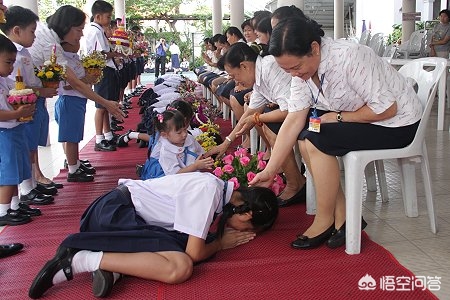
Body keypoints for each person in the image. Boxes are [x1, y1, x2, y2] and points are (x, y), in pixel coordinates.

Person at [249, 17, 422, 250]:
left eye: (296, 68)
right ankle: (343, 217)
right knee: (305, 136)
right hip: (365, 117)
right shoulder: (300, 71)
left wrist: (340, 117)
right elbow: (294, 119)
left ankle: (325, 219)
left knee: (316, 138)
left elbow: (386, 108)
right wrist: (270, 171)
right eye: (286, 70)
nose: (293, 75)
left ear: (314, 48)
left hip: (397, 124)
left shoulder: (350, 56)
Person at [28, 172, 279, 298]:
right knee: (180, 266)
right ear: (246, 215)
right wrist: (221, 245)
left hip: (116, 213)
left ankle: (115, 266)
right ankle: (80, 259)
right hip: (114, 216)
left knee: (180, 244)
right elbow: (194, 253)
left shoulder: (214, 188)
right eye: (246, 229)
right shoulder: (209, 191)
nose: (238, 231)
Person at [206, 42, 305, 206]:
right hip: (297, 111)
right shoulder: (258, 77)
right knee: (264, 121)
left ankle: (296, 184)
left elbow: (291, 111)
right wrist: (226, 143)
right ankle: (294, 179)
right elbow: (248, 115)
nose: (234, 80)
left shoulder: (269, 68)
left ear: (244, 66)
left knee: (269, 125)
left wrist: (257, 119)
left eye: (234, 75)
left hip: (308, 113)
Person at [28, 6, 124, 134]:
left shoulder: (48, 36)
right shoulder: (50, 44)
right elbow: (74, 82)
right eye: (79, 30)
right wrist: (106, 103)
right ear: (67, 26)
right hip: (28, 99)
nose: (82, 34)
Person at [0, 6, 58, 206]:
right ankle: (24, 192)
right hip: (17, 114)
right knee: (19, 156)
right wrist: (40, 91)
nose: (35, 36)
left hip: (27, 109)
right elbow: (18, 86)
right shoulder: (10, 54)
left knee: (29, 150)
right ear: (16, 31)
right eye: (32, 31)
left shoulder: (23, 52)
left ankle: (29, 187)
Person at [0, 34, 37, 226]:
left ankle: (15, 205)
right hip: (4, 134)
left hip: (14, 130)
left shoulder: (4, 80)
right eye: (8, 62)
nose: (11, 67)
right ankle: (3, 210)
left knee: (16, 171)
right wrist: (17, 113)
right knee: (8, 173)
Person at [84, 0, 123, 152]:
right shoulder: (95, 31)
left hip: (107, 70)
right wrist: (115, 53)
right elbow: (100, 54)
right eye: (108, 17)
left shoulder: (99, 30)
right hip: (103, 71)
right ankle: (99, 138)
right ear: (98, 16)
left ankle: (107, 134)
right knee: (101, 107)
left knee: (106, 105)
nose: (109, 20)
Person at [55, 41, 96, 182]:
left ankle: (75, 162)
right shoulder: (63, 60)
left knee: (75, 135)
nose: (80, 40)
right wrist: (86, 79)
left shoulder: (74, 57)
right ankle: (73, 170)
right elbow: (66, 85)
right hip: (69, 100)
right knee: (71, 137)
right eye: (77, 37)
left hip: (77, 100)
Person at [139, 109, 214, 179]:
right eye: (179, 132)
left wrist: (205, 160)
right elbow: (174, 175)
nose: (184, 134)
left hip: (193, 176)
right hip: (177, 183)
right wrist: (195, 166)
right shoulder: (166, 151)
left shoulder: (189, 139)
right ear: (165, 135)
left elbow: (201, 153)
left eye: (185, 129)